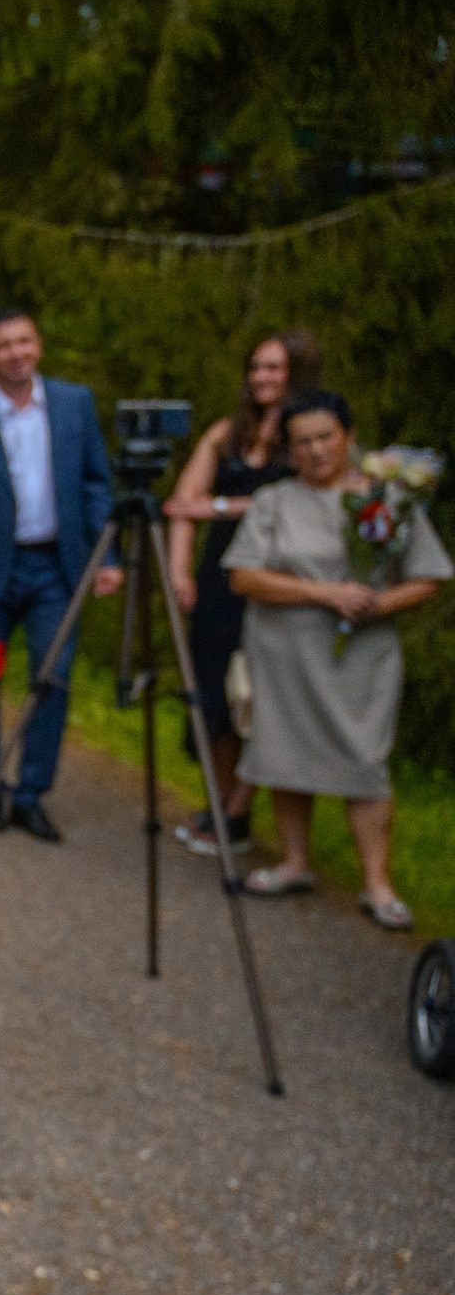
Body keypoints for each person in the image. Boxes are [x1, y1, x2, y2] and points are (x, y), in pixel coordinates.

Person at [224, 391, 450, 929]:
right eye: (302, 441)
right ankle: (295, 861)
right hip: (285, 653)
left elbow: (429, 576)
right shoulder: (274, 501)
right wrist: (326, 594)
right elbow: (244, 575)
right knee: (285, 752)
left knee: (364, 761)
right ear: (289, 449)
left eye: (325, 437)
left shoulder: (388, 500)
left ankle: (377, 882)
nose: (316, 449)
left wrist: (375, 603)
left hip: (361, 658)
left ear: (348, 437)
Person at [0, 309, 122, 842]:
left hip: (57, 570)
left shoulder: (74, 404)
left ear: (39, 345)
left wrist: (106, 558)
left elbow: (96, 484)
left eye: (24, 341)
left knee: (51, 679)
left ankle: (31, 794)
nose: (16, 352)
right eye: (3, 345)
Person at [163, 329, 322, 856]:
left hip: (277, 578)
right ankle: (223, 796)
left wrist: (222, 506)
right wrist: (180, 570)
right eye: (256, 367)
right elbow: (181, 505)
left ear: (297, 372)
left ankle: (239, 812)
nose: (262, 378)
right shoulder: (226, 433)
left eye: (274, 368)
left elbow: (310, 498)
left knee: (263, 696)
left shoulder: (308, 436)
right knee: (213, 693)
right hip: (219, 578)